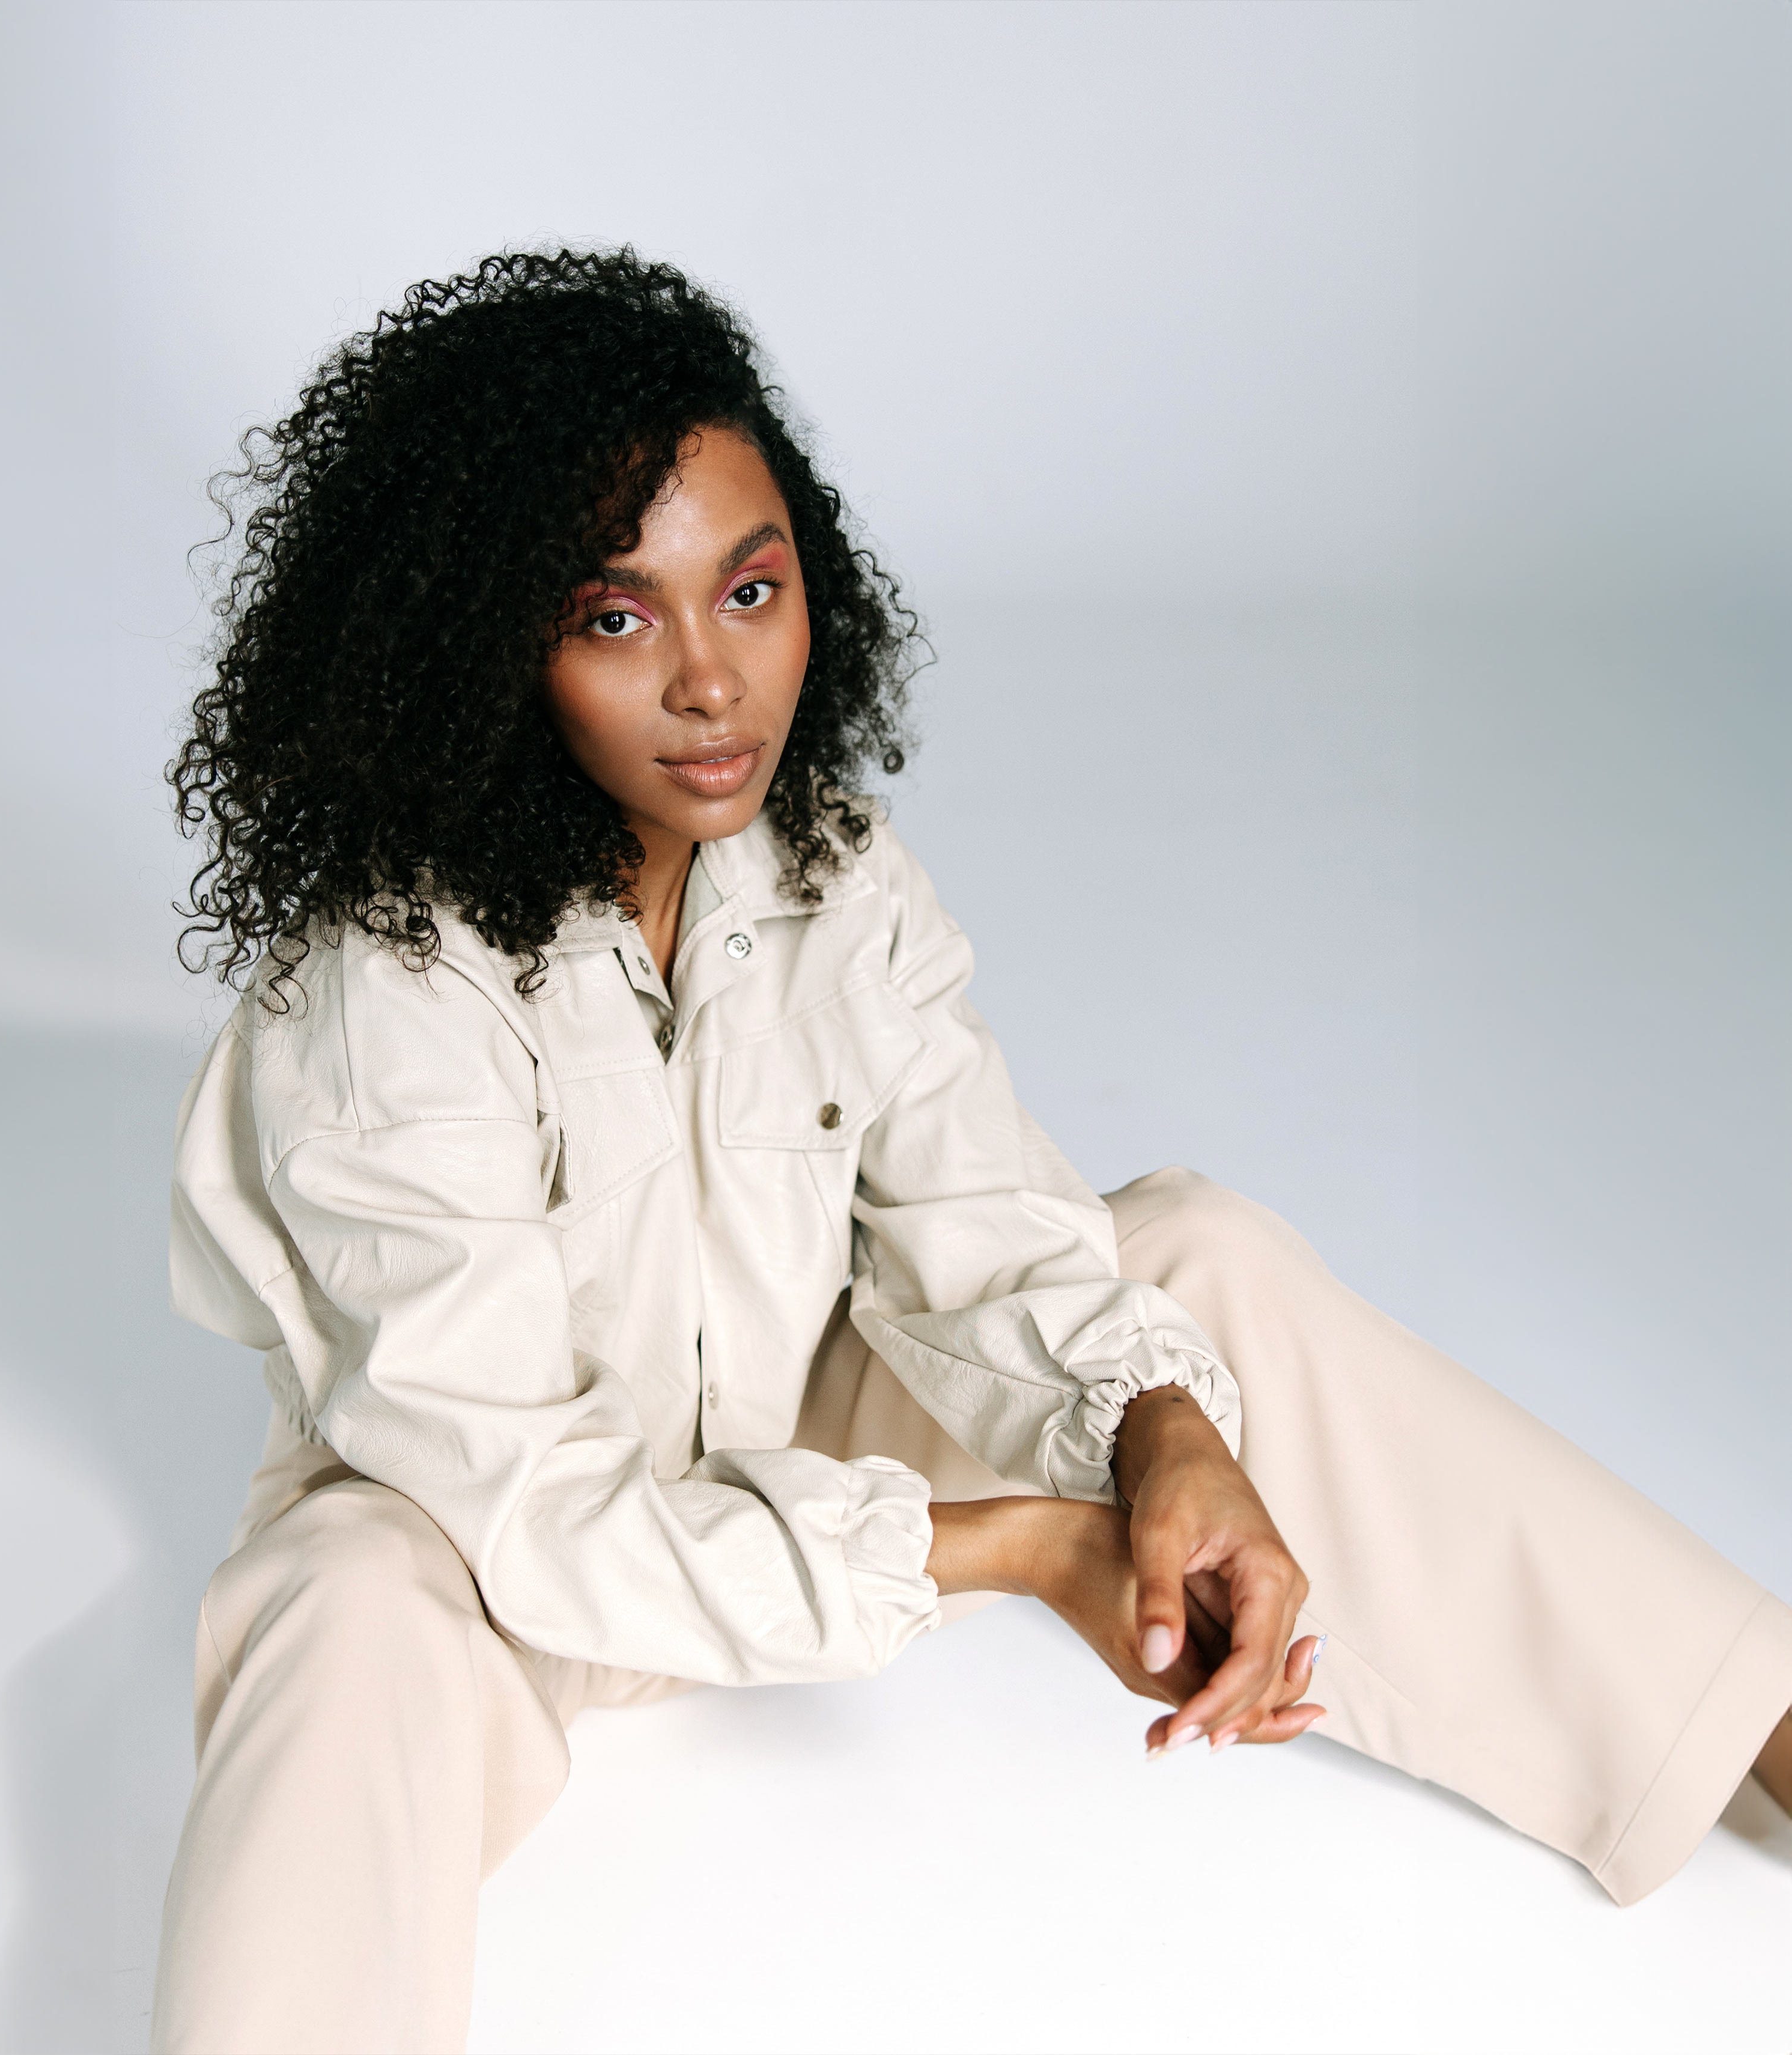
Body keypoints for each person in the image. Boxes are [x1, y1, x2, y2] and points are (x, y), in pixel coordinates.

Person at [151, 249, 1792, 2054]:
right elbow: (534, 1503)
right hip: (491, 1558)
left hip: (777, 1452)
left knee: (1191, 1253)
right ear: (482, 650)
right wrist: (1014, 1547)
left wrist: (1162, 1441)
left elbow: (987, 1234)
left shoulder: (831, 875)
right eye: (615, 620)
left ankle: (1747, 1716)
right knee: (335, 1606)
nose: (711, 681)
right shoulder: (376, 987)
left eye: (751, 591)